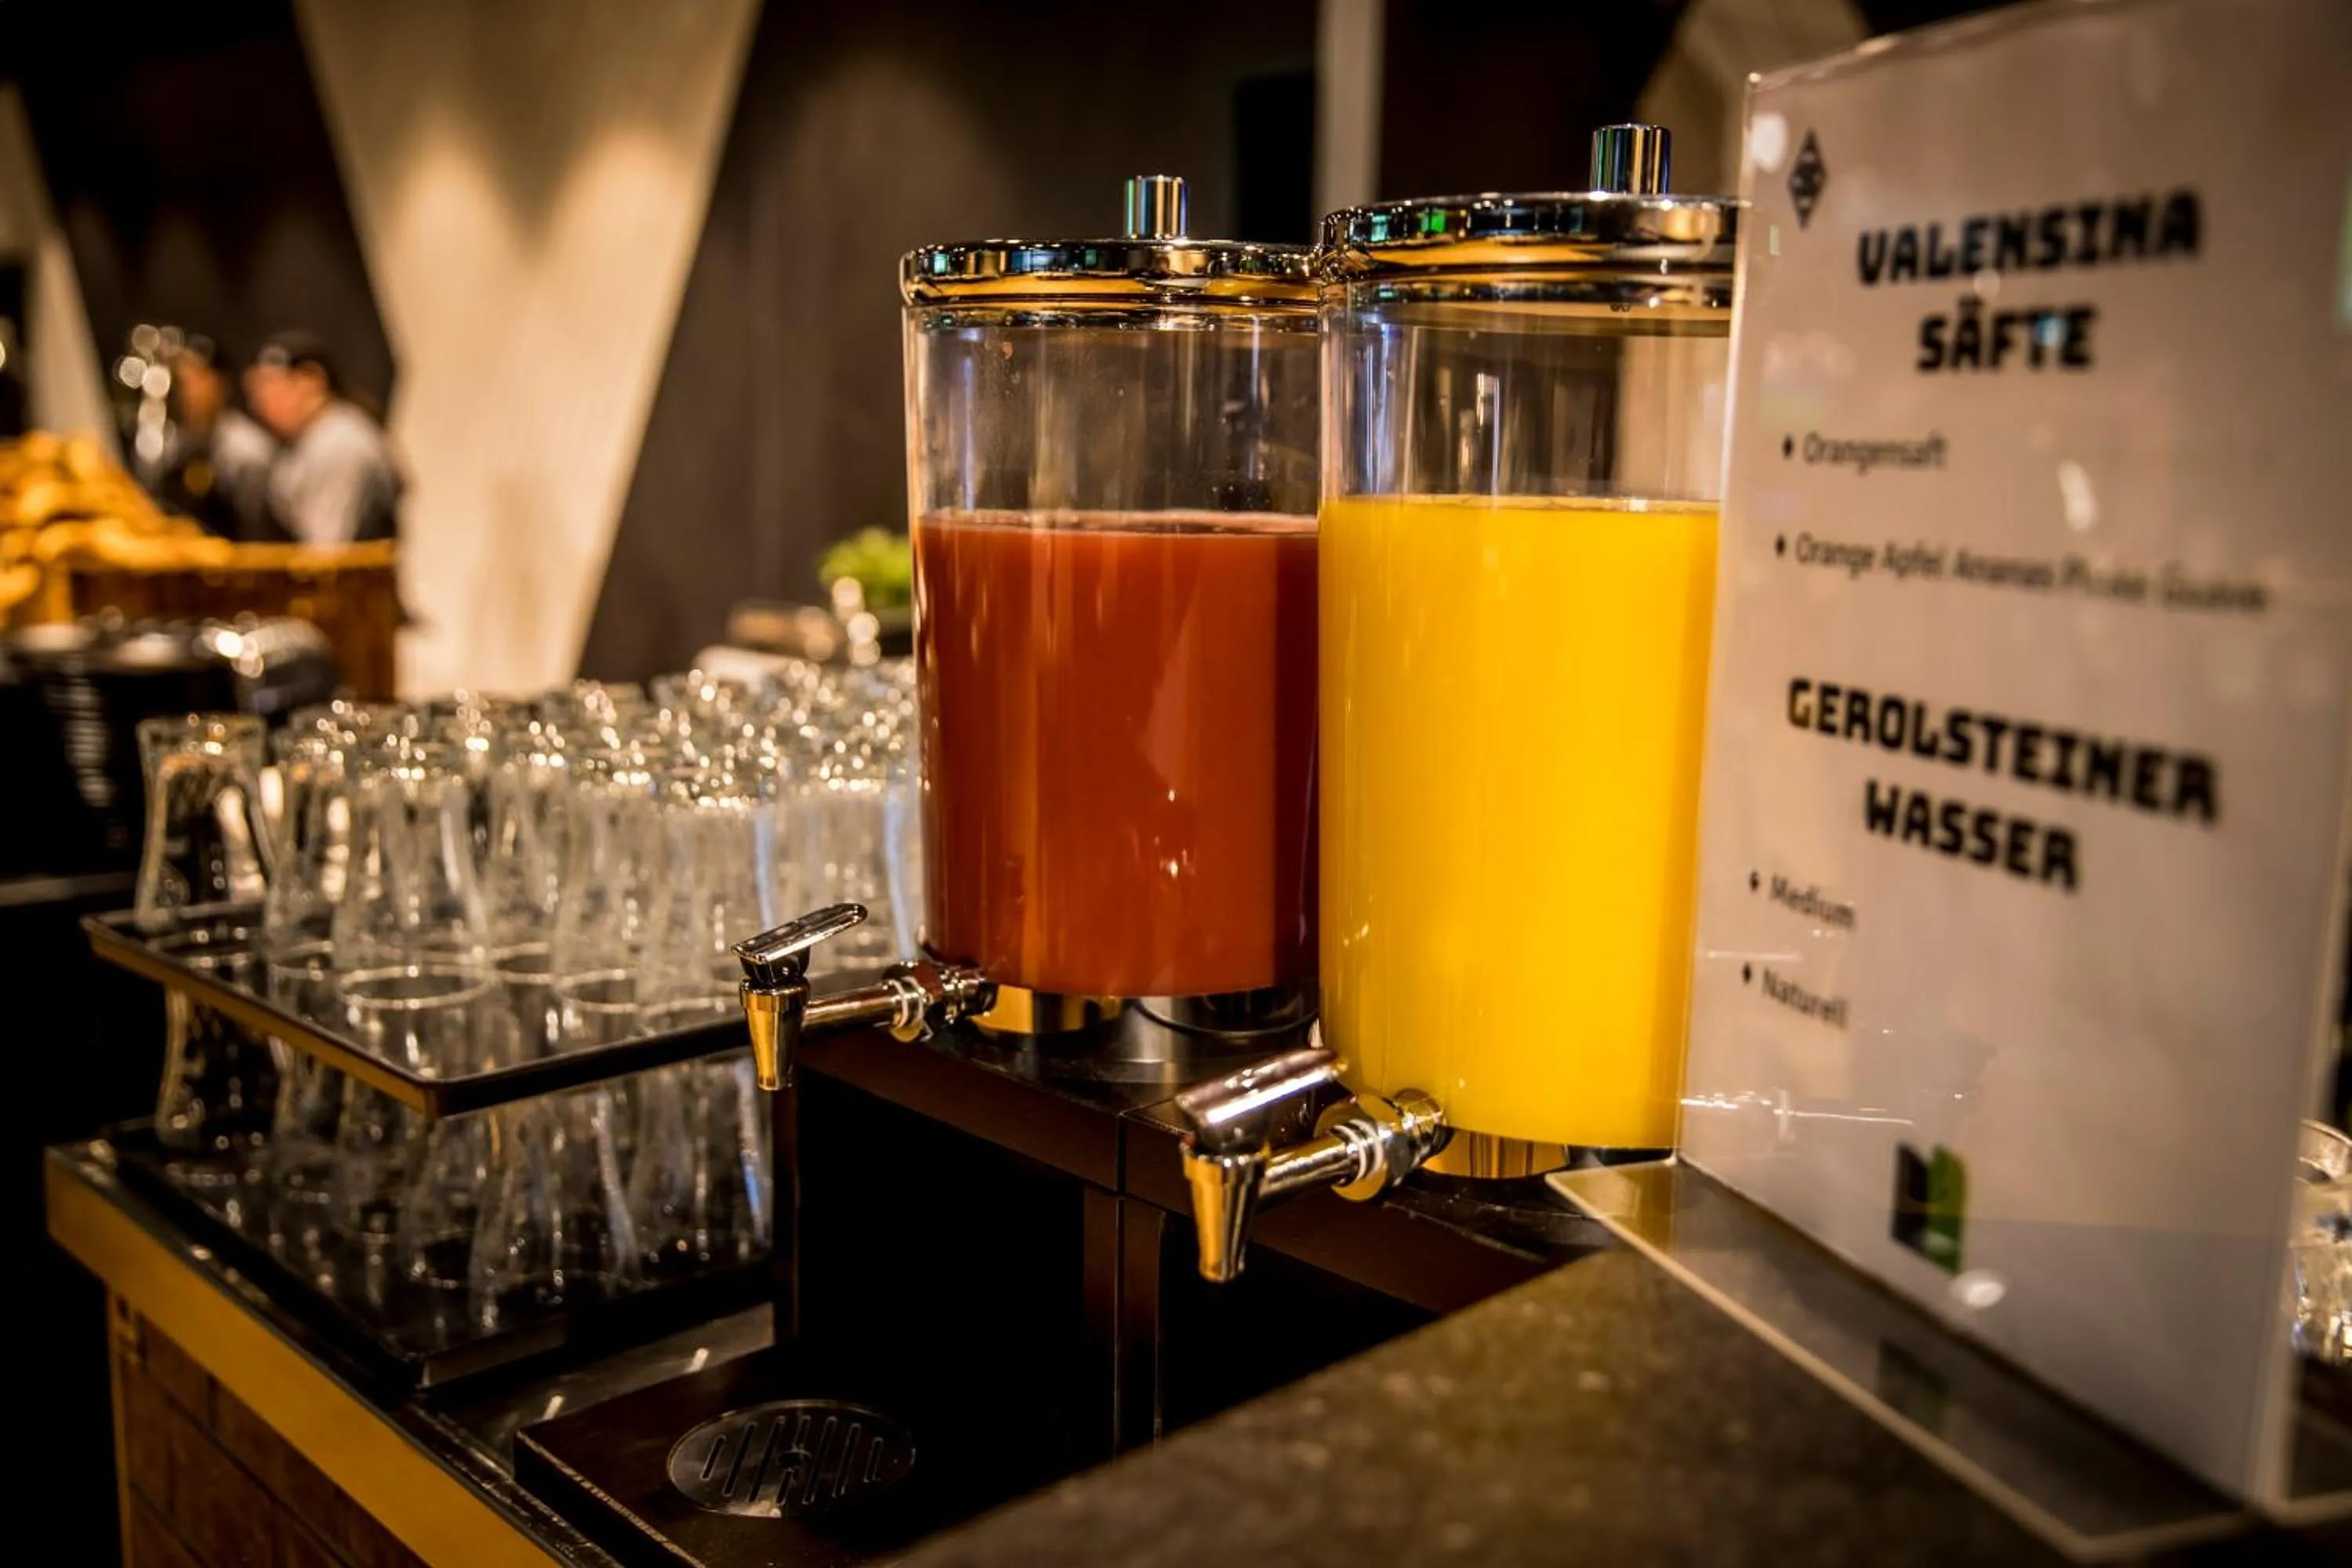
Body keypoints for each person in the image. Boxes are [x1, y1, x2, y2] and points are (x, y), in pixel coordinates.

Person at [244, 330, 401, 545]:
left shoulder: (340, 441)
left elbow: (327, 555)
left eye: (270, 385)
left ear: (312, 381)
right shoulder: (309, 439)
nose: (261, 402)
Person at [154, 335, 277, 539]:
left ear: (220, 383)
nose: (188, 391)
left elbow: (258, 529)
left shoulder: (245, 447)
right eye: (182, 380)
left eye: (197, 379)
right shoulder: (173, 443)